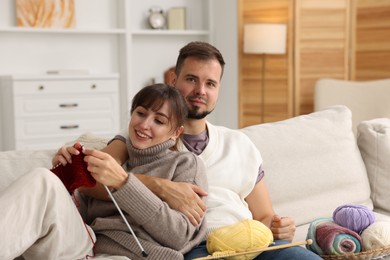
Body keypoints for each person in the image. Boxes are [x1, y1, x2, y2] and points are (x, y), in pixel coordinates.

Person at [105, 41, 322, 259]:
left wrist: (279, 227)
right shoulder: (143, 136)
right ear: (173, 80)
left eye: (210, 84)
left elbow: (265, 215)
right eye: (191, 79)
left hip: (253, 245)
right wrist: (161, 187)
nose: (200, 91)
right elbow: (94, 180)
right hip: (197, 247)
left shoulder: (240, 144)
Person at [0, 83, 207, 260]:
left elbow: (178, 235)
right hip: (87, 246)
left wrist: (124, 183)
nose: (144, 125)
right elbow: (82, 214)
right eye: (141, 113)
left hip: (131, 255)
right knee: (43, 178)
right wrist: (66, 175)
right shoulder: (112, 159)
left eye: (159, 121)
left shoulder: (186, 164)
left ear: (176, 132)